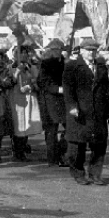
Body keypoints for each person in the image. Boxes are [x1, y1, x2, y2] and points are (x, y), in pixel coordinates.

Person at [62, 39, 109, 186]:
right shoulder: (71, 66)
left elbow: (106, 90)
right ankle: (78, 174)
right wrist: (72, 106)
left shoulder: (101, 67)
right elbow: (68, 88)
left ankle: (95, 174)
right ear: (81, 51)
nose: (91, 53)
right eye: (88, 50)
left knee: (99, 145)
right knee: (78, 146)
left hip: (98, 111)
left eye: (94, 50)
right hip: (80, 112)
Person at [10, 46, 42, 161]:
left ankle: (23, 149)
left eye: (25, 53)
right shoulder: (11, 67)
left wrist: (32, 85)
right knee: (18, 125)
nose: (24, 55)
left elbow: (37, 81)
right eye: (21, 53)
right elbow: (9, 82)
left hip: (29, 97)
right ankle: (17, 151)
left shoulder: (31, 67)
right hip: (17, 99)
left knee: (27, 124)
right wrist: (17, 72)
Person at [37, 39, 67, 167]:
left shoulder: (64, 63)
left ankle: (61, 153)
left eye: (60, 49)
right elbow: (42, 82)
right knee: (51, 132)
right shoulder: (46, 64)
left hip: (63, 101)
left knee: (70, 128)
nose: (59, 52)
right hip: (49, 101)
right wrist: (57, 88)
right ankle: (52, 159)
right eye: (56, 49)